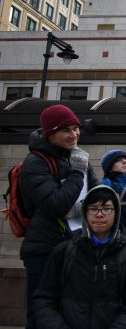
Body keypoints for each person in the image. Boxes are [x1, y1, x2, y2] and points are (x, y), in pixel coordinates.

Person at [19, 104, 100, 329]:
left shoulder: (77, 157)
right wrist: (77, 172)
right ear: (50, 133)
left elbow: (100, 197)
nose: (74, 134)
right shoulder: (35, 162)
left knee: (71, 315)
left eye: (76, 128)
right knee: (41, 315)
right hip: (44, 251)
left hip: (76, 247)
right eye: (67, 130)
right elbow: (55, 204)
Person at [33, 185, 126, 329]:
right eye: (93, 209)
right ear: (85, 213)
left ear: (117, 212)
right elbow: (44, 298)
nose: (99, 214)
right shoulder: (64, 251)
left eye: (106, 208)